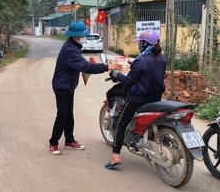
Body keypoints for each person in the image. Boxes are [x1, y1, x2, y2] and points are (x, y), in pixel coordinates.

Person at [49, 22, 122, 155]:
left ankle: (69, 140)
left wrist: (88, 65)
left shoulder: (74, 46)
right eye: (83, 36)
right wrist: (107, 67)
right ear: (76, 36)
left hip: (68, 85)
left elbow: (81, 64)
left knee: (68, 115)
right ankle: (53, 143)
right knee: (62, 115)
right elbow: (85, 67)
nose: (85, 38)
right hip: (62, 86)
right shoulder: (70, 50)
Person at [105, 29, 166, 169]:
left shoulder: (141, 61)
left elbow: (127, 82)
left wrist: (116, 73)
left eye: (140, 42)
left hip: (138, 99)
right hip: (155, 98)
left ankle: (115, 157)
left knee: (121, 124)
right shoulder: (162, 58)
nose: (139, 45)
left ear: (145, 43)